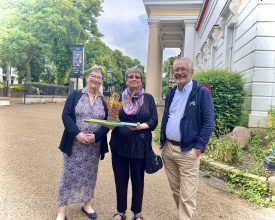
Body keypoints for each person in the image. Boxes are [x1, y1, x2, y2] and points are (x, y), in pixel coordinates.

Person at [160, 57, 215, 220]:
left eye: (183, 69)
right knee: (176, 190)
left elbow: (209, 122)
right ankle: (183, 216)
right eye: (177, 70)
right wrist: (162, 141)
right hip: (169, 149)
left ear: (191, 71)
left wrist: (199, 147)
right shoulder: (171, 92)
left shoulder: (201, 92)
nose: (179, 72)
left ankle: (185, 217)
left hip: (188, 150)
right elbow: (167, 117)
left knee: (187, 194)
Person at [56, 66, 109, 220]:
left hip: (93, 146)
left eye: (99, 77)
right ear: (87, 77)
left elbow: (108, 122)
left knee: (90, 175)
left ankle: (87, 204)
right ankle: (61, 211)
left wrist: (96, 136)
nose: (96, 79)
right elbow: (66, 116)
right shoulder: (75, 95)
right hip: (74, 143)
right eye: (93, 75)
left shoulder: (104, 100)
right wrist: (77, 134)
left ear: (102, 81)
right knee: (68, 175)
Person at [109, 67, 158, 220]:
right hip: (119, 145)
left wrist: (140, 126)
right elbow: (111, 119)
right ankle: (120, 211)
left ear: (141, 80)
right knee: (120, 179)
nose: (134, 79)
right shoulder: (118, 99)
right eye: (130, 77)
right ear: (126, 80)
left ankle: (137, 212)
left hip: (139, 147)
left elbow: (154, 121)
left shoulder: (148, 98)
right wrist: (111, 121)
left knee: (138, 181)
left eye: (137, 76)